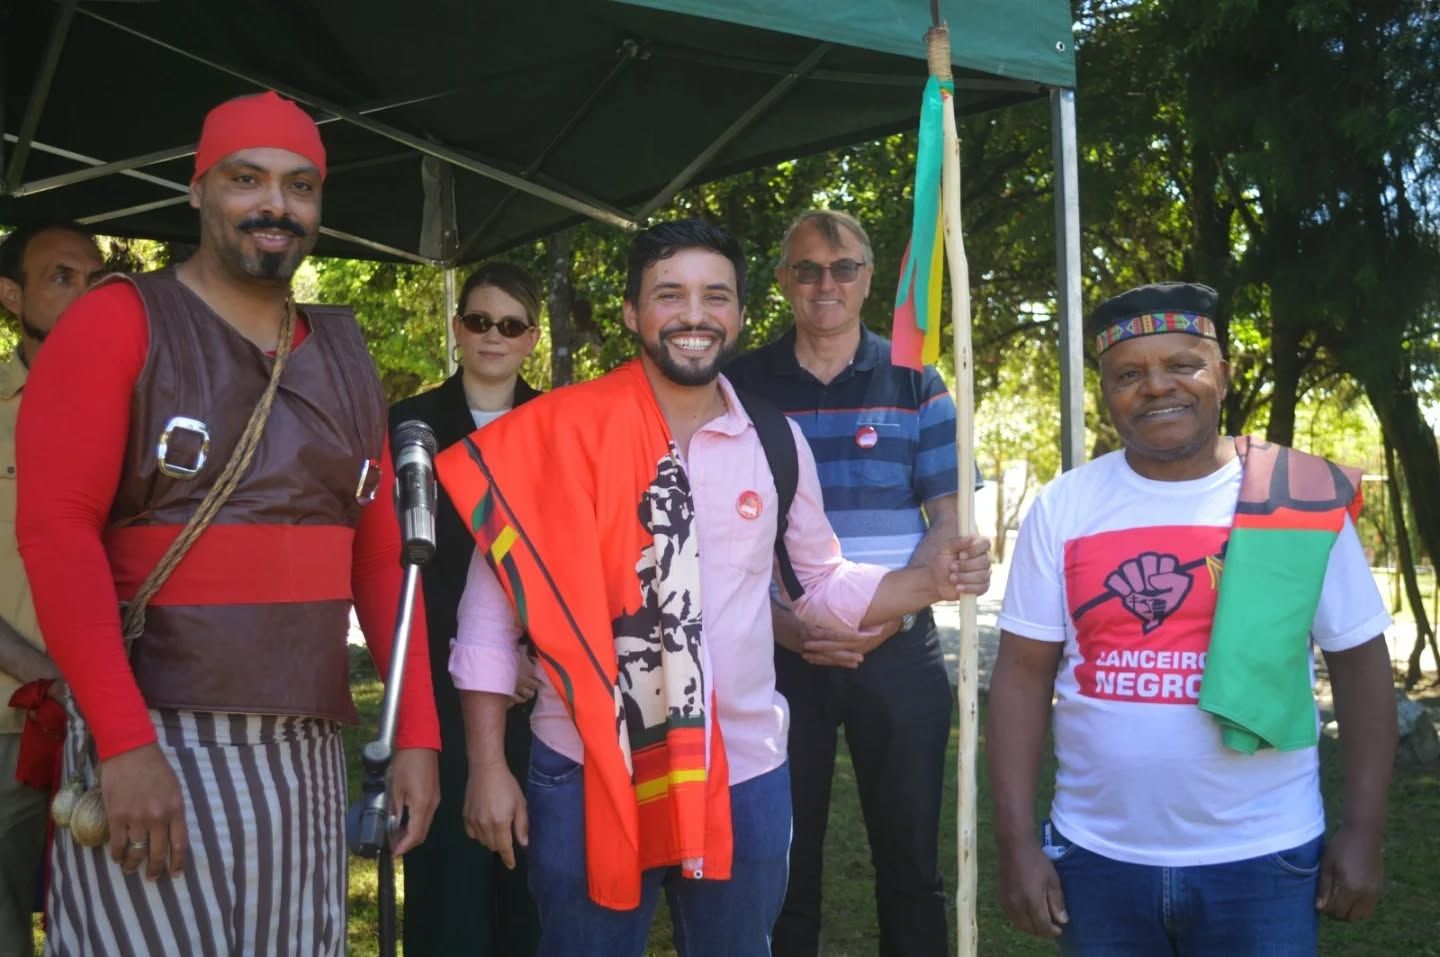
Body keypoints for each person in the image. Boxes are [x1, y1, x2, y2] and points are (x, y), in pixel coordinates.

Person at [435, 219, 992, 957]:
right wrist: (487, 766)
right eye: (670, 294)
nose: (695, 315)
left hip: (746, 769)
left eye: (715, 295)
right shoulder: (559, 433)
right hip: (588, 763)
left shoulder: (772, 438)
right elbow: (485, 619)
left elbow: (819, 583)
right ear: (633, 312)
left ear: (737, 314)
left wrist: (928, 579)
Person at [15, 91, 440, 956]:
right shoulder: (118, 320)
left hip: (311, 744)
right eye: (247, 180)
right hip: (158, 724)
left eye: (299, 185)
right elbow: (57, 534)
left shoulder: (346, 353)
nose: (275, 205)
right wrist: (124, 741)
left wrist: (417, 734)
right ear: (198, 189)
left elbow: (383, 559)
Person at [988, 281, 1396, 956]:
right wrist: (1015, 842)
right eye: (1129, 374)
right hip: (1097, 855)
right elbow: (1022, 677)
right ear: (1106, 391)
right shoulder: (1064, 506)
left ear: (1223, 375)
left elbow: (1360, 663)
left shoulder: (1297, 499)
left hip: (1265, 856)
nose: (1157, 386)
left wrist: (1365, 827)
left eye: (1183, 363)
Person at [724, 208, 960, 956]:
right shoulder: (739, 384)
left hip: (897, 646)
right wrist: (788, 625)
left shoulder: (917, 377)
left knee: (912, 864)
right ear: (784, 281)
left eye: (843, 267)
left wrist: (886, 612)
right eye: (807, 268)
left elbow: (950, 522)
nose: (825, 283)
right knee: (781, 863)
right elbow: (716, 530)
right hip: (776, 650)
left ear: (868, 277)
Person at [389, 261, 544, 956]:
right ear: (458, 328)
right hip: (432, 682)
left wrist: (533, 656)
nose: (492, 336)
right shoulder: (405, 426)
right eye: (479, 320)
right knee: (448, 890)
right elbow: (390, 571)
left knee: (530, 883)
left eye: (509, 325)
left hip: (540, 693)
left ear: (531, 338)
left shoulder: (558, 426)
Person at [0, 222, 104, 956]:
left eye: (94, 278)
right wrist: (50, 676)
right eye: (62, 277)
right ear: (11, 296)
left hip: (123, 733)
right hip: (12, 730)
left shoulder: (139, 410)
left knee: (112, 929)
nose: (86, 294)